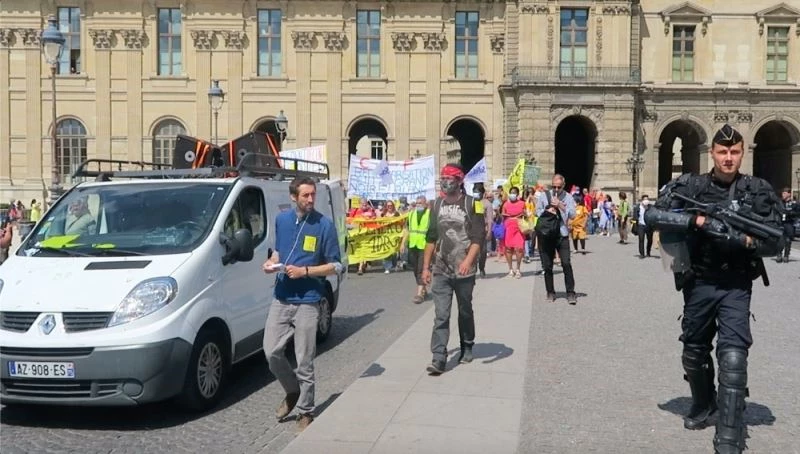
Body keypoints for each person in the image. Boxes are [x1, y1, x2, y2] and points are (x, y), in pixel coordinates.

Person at [644, 124, 784, 453]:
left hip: (736, 285)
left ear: (743, 153)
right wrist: (697, 222)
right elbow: (653, 215)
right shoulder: (689, 185)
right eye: (722, 152)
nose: (728, 158)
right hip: (699, 282)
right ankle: (703, 403)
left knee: (734, 356)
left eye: (734, 152)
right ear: (712, 153)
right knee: (694, 351)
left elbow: (779, 238)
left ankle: (729, 436)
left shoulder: (758, 190)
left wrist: (746, 241)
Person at [262, 177, 344, 431]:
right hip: (282, 297)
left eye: (313, 195)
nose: (310, 199)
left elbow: (336, 265)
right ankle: (292, 390)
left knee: (304, 360)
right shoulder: (282, 220)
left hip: (309, 301)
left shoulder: (325, 225)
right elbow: (278, 252)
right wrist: (271, 263)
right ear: (293, 197)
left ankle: (306, 410)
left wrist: (306, 271)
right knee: (271, 352)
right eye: (306, 195)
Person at [422, 163, 484, 375]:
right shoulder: (436, 204)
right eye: (443, 177)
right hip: (442, 268)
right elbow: (430, 238)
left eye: (450, 177)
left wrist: (468, 261)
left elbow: (478, 237)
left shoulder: (472, 204)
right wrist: (425, 268)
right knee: (441, 314)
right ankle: (438, 357)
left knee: (465, 310)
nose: (446, 181)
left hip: (465, 269)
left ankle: (467, 343)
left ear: (459, 181)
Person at [535, 174, 578, 304]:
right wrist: (548, 210)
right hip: (547, 234)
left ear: (563, 186)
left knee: (566, 263)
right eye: (553, 186)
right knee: (547, 266)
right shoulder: (544, 195)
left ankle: (570, 292)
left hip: (562, 233)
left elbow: (572, 215)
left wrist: (561, 206)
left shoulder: (568, 197)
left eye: (558, 187)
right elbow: (537, 211)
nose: (555, 189)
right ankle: (550, 292)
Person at [400, 195, 430, 303]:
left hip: (424, 246)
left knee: (421, 269)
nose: (418, 205)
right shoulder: (411, 214)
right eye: (417, 203)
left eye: (420, 203)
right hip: (413, 245)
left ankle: (419, 294)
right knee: (415, 269)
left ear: (425, 204)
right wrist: (403, 243)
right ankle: (423, 289)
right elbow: (407, 230)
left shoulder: (429, 214)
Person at [502, 186, 526, 278]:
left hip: (519, 227)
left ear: (517, 194)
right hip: (508, 227)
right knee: (508, 248)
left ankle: (518, 269)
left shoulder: (522, 203)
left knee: (519, 248)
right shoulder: (505, 204)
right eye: (511, 192)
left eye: (514, 192)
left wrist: (524, 214)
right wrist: (506, 215)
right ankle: (510, 269)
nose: (512, 194)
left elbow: (527, 214)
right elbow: (502, 214)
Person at [472, 184, 493, 278]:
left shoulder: (486, 203)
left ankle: (481, 267)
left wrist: (489, 231)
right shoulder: (470, 202)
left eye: (478, 192)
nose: (476, 194)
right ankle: (472, 268)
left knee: (483, 251)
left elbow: (489, 219)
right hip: (471, 229)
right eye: (474, 191)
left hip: (482, 229)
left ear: (482, 193)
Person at [777, 187, 798, 263]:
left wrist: (790, 213)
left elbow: (798, 213)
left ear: (789, 194)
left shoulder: (794, 204)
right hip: (781, 223)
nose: (783, 195)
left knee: (788, 240)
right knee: (779, 239)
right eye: (782, 193)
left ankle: (786, 256)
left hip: (789, 223)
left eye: (785, 193)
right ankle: (779, 255)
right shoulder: (780, 203)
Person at [633, 194, 654, 258]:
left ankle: (648, 252)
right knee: (641, 239)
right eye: (645, 199)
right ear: (642, 200)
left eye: (647, 199)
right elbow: (635, 217)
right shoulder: (637, 207)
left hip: (649, 226)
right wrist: (634, 225)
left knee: (650, 240)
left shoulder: (651, 207)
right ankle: (642, 254)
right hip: (640, 225)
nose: (646, 200)